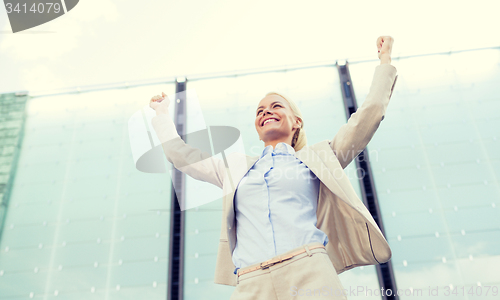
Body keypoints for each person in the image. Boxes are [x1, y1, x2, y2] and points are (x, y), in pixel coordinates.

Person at [149, 36, 398, 299]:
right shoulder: (233, 169)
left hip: (310, 272)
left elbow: (368, 115)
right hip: (251, 282)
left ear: (297, 122)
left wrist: (385, 60)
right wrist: (161, 115)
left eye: (276, 106)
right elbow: (182, 156)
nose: (266, 112)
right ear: (258, 129)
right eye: (260, 111)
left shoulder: (320, 158)